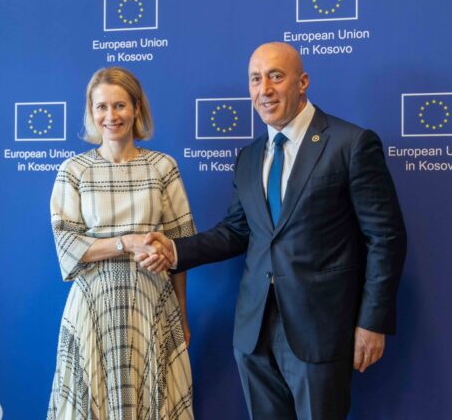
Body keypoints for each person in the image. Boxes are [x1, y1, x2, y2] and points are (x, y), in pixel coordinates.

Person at [141, 42, 406, 419]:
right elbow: (236, 231)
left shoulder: (350, 144)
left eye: (275, 77)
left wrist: (372, 322)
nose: (264, 89)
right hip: (254, 333)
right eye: (255, 79)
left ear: (303, 82)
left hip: (321, 331)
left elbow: (385, 238)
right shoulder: (249, 157)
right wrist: (175, 250)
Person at [47, 67, 195, 420]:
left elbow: (182, 245)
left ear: (137, 108)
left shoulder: (163, 167)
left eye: (119, 105)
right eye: (101, 107)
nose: (110, 116)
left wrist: (182, 311)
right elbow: (67, 245)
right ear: (91, 111)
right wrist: (126, 243)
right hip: (93, 306)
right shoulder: (74, 170)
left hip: (152, 302)